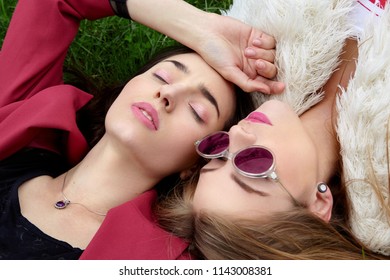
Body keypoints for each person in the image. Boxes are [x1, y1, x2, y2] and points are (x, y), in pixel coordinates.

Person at [0, 0, 281, 259]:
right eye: (162, 75)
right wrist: (202, 29)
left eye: (197, 111)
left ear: (195, 164)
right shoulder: (19, 121)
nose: (168, 92)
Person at [155, 0, 390, 259]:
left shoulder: (260, 41)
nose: (236, 134)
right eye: (254, 166)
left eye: (219, 153)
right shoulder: (383, 159)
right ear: (318, 205)